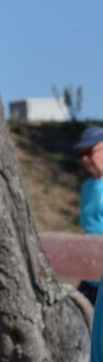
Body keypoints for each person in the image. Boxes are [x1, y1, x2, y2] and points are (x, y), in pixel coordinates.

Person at [75, 126, 103, 303]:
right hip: (90, 276)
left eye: (89, 152)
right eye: (81, 154)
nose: (85, 159)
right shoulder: (86, 187)